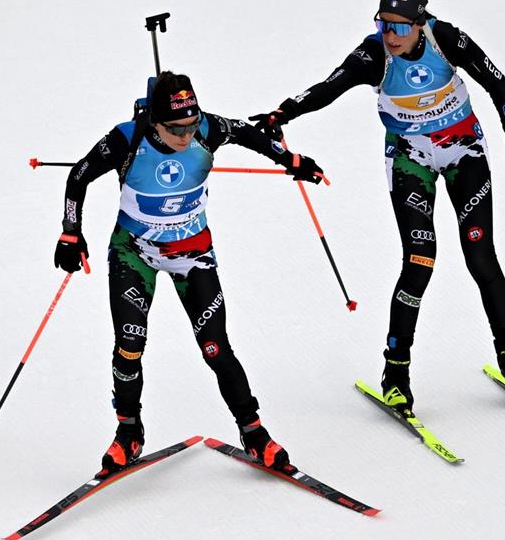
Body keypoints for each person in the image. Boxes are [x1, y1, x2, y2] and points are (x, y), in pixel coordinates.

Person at [250, 0, 505, 411]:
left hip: (464, 150)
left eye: (400, 27)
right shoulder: (374, 54)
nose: (390, 35)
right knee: (420, 260)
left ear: (421, 23)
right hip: (410, 159)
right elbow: (330, 87)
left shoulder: (447, 40)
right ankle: (396, 370)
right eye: (384, 24)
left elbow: (498, 84)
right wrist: (283, 113)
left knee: (481, 254)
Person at [55, 71, 323, 476]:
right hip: (135, 254)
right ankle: (128, 433)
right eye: (175, 128)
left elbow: (250, 134)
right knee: (130, 344)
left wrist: (291, 160)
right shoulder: (126, 138)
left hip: (193, 255)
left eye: (191, 124)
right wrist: (70, 233)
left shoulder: (207, 128)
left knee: (216, 347)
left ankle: (254, 433)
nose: (185, 135)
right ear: (154, 122)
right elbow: (78, 177)